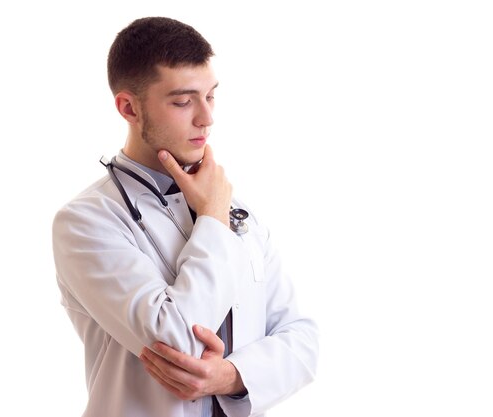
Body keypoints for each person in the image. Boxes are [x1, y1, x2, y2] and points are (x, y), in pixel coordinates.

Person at [52, 16, 319, 417]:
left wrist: (231, 376)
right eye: (182, 101)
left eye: (211, 96)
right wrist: (212, 218)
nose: (206, 118)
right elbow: (176, 338)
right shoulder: (87, 222)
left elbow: (301, 339)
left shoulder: (234, 208)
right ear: (129, 107)